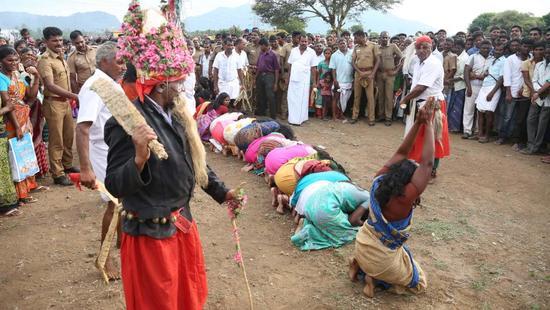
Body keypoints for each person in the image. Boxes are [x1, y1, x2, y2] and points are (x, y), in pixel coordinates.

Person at [108, 4, 236, 309]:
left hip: (180, 225)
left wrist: (223, 192)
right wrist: (139, 158)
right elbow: (114, 184)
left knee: (186, 299)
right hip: (151, 235)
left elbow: (193, 160)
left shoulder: (176, 113)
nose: (183, 86)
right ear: (161, 84)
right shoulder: (126, 123)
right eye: (178, 81)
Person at [349, 103, 434, 298]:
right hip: (380, 259)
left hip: (362, 244)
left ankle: (359, 265)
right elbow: (428, 164)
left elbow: (402, 153)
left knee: (394, 253)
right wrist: (428, 123)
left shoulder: (380, 180)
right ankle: (374, 279)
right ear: (409, 181)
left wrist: (419, 122)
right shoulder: (406, 197)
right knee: (419, 281)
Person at [75, 42, 126, 281]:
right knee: (114, 204)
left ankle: (122, 246)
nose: (124, 66)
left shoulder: (110, 84)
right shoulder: (95, 87)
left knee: (123, 203)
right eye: (119, 62)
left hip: (117, 150)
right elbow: (83, 128)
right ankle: (104, 260)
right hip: (104, 152)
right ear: (104, 61)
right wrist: (85, 169)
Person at [399, 36, 450, 178]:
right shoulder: (418, 64)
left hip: (432, 104)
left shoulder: (432, 63)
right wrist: (410, 100)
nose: (422, 50)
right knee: (420, 137)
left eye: (425, 47)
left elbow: (421, 87)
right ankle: (419, 166)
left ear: (431, 48)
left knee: (433, 137)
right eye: (419, 47)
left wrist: (405, 99)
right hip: (420, 103)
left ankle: (432, 170)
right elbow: (416, 86)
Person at [37, 26, 80, 186]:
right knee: (57, 140)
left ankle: (67, 165)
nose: (59, 43)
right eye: (54, 40)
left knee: (69, 136)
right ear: (46, 41)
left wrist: (71, 97)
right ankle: (57, 173)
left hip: (66, 103)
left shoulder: (61, 57)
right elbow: (50, 85)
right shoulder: (44, 60)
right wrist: (74, 96)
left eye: (60, 40)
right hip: (53, 103)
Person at [0, 45, 41, 204]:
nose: (14, 62)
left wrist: (36, 77)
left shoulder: (19, 75)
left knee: (25, 152)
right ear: (1, 62)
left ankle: (29, 186)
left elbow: (31, 94)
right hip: (12, 121)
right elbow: (8, 104)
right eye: (9, 60)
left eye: (16, 59)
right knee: (14, 154)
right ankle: (20, 193)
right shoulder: (2, 78)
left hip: (24, 116)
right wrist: (17, 126)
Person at [291, 180, 369, 251]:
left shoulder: (357, 188)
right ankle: (307, 233)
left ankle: (306, 223)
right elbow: (353, 221)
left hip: (310, 205)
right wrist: (363, 225)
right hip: (324, 209)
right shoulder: (371, 200)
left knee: (334, 222)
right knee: (351, 233)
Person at [498, 39, 533, 148]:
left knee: (520, 118)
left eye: (528, 47)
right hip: (512, 91)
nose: (526, 49)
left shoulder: (531, 59)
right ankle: (502, 137)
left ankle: (515, 139)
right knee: (507, 116)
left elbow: (529, 76)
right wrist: (508, 92)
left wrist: (524, 88)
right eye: (524, 46)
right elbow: (506, 76)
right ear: (520, 47)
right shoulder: (510, 59)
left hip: (525, 93)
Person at [475, 43, 505, 143]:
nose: (498, 51)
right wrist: (486, 73)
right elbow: (487, 72)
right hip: (484, 86)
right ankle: (480, 134)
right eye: (496, 49)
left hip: (494, 87)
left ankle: (487, 136)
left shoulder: (504, 61)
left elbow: (501, 79)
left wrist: (492, 92)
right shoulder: (492, 60)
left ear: (503, 51)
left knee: (489, 112)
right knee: (480, 111)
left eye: (500, 50)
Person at [523, 44, 550, 155]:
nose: (548, 54)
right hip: (537, 96)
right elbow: (534, 80)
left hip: (547, 98)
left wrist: (539, 93)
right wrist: (536, 93)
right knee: (530, 120)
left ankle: (536, 147)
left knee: (542, 125)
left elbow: (549, 82)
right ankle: (530, 144)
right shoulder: (539, 65)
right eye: (547, 53)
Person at [463, 40, 493, 139]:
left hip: (485, 87)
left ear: (490, 48)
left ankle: (477, 131)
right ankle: (467, 131)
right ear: (479, 48)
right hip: (473, 85)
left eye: (488, 48)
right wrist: (469, 87)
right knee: (469, 108)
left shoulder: (492, 59)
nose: (485, 50)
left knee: (480, 110)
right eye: (483, 48)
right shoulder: (473, 57)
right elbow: (466, 71)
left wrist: (482, 77)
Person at [287, 35, 318, 126]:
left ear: (308, 42)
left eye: (306, 42)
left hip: (304, 80)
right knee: (292, 99)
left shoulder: (311, 52)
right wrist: (288, 78)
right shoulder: (294, 51)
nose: (304, 43)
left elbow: (313, 68)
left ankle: (299, 120)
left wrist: (314, 82)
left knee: (302, 100)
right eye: (302, 41)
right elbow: (290, 65)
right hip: (293, 78)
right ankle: (292, 118)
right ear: (299, 41)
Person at [352, 30, 381, 125]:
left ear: (361, 36)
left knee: (370, 97)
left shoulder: (373, 45)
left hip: (369, 73)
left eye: (356, 37)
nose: (354, 39)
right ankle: (354, 116)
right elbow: (353, 62)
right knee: (357, 96)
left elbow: (378, 60)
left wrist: (372, 74)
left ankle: (371, 118)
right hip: (358, 74)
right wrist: (359, 72)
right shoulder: (356, 48)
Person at [377, 31, 403, 125]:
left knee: (389, 96)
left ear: (389, 38)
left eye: (386, 37)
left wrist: (396, 70)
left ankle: (388, 117)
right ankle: (381, 115)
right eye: (383, 37)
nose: (384, 39)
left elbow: (403, 58)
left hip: (390, 75)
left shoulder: (393, 46)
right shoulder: (377, 47)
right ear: (380, 38)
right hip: (379, 74)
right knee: (380, 95)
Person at [329, 38, 354, 121]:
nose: (342, 45)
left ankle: (341, 114)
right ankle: (334, 116)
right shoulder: (334, 55)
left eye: (343, 43)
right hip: (339, 81)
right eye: (340, 43)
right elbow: (333, 69)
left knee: (344, 100)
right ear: (338, 45)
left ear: (346, 43)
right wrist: (335, 80)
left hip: (349, 81)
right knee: (336, 99)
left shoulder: (352, 53)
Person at [255, 38, 280, 118]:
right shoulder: (261, 53)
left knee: (270, 95)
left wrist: (276, 83)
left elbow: (276, 69)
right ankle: (262, 112)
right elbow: (258, 66)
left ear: (264, 45)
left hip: (270, 76)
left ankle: (273, 115)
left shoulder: (273, 54)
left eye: (260, 46)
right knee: (261, 95)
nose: (260, 48)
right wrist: (256, 77)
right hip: (260, 76)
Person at [447, 39, 468, 133]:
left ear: (463, 48)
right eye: (455, 47)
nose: (456, 49)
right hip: (454, 84)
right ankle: (451, 126)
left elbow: (464, 75)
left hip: (460, 85)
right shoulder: (456, 57)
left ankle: (455, 127)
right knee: (452, 106)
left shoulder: (465, 58)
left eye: (458, 47)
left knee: (457, 107)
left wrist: (452, 79)